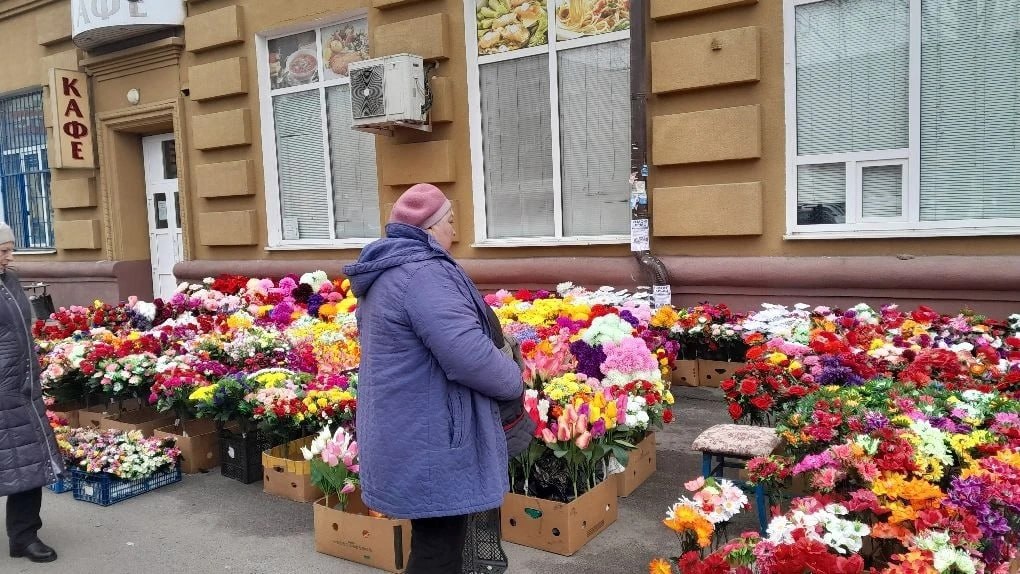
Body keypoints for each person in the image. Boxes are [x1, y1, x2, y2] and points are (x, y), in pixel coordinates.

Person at [344, 184, 524, 573]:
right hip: (433, 438)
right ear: (430, 228)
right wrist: (514, 379)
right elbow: (468, 356)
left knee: (435, 540)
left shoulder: (390, 271)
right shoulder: (424, 275)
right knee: (437, 550)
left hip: (409, 427)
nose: (454, 234)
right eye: (451, 222)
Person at [0, 222, 63, 563]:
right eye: (2, 251)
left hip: (21, 389)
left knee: (28, 464)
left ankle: (24, 537)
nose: (9, 257)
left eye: (10, 250)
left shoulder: (8, 281)